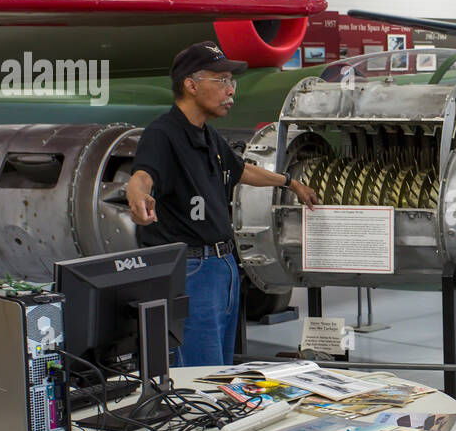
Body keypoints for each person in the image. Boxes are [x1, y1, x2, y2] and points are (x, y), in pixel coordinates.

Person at [125, 40, 319, 367]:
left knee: (222, 368)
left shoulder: (208, 136)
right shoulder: (163, 135)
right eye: (223, 81)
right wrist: (136, 192)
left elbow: (242, 170)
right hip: (193, 269)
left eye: (232, 82)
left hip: (224, 266)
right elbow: (144, 174)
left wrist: (290, 182)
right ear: (191, 85)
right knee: (203, 372)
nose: (231, 91)